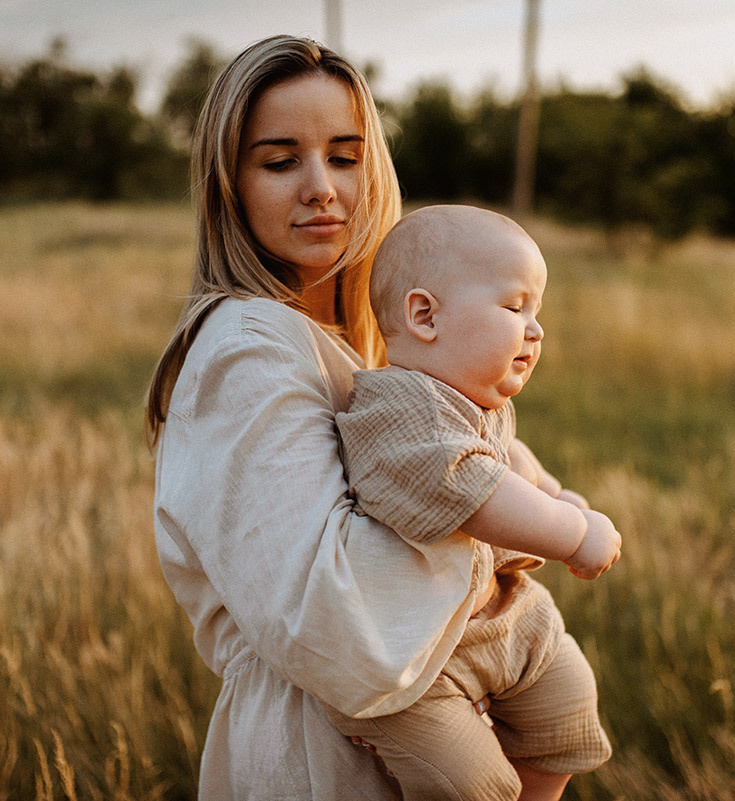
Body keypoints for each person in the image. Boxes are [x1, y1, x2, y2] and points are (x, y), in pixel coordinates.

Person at [146, 35, 600, 800]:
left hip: (416, 709)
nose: (321, 186)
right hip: (322, 752)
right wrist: (502, 529)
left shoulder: (372, 343)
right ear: (231, 183)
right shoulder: (248, 349)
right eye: (280, 159)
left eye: (346, 156)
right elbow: (335, 623)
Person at [324, 204, 619, 799]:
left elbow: (507, 461)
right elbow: (475, 489)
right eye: (515, 307)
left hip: (495, 619)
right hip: (412, 658)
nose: (535, 329)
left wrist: (553, 492)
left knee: (568, 705)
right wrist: (572, 531)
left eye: (537, 311)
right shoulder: (399, 412)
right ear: (425, 315)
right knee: (469, 782)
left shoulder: (470, 404)